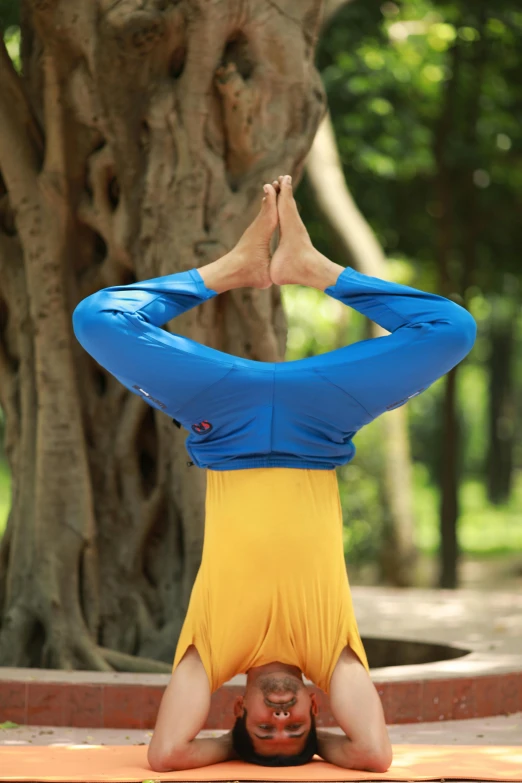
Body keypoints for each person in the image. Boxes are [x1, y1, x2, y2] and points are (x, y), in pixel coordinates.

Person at [73, 175, 476, 773]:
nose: (281, 715)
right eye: (296, 727)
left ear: (236, 713)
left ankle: (231, 269)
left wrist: (234, 752)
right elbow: (373, 754)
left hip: (224, 422)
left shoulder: (213, 652)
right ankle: (317, 270)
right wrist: (314, 750)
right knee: (453, 330)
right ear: (318, 707)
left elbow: (165, 755)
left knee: (97, 318)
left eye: (265, 728)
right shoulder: (329, 652)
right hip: (319, 426)